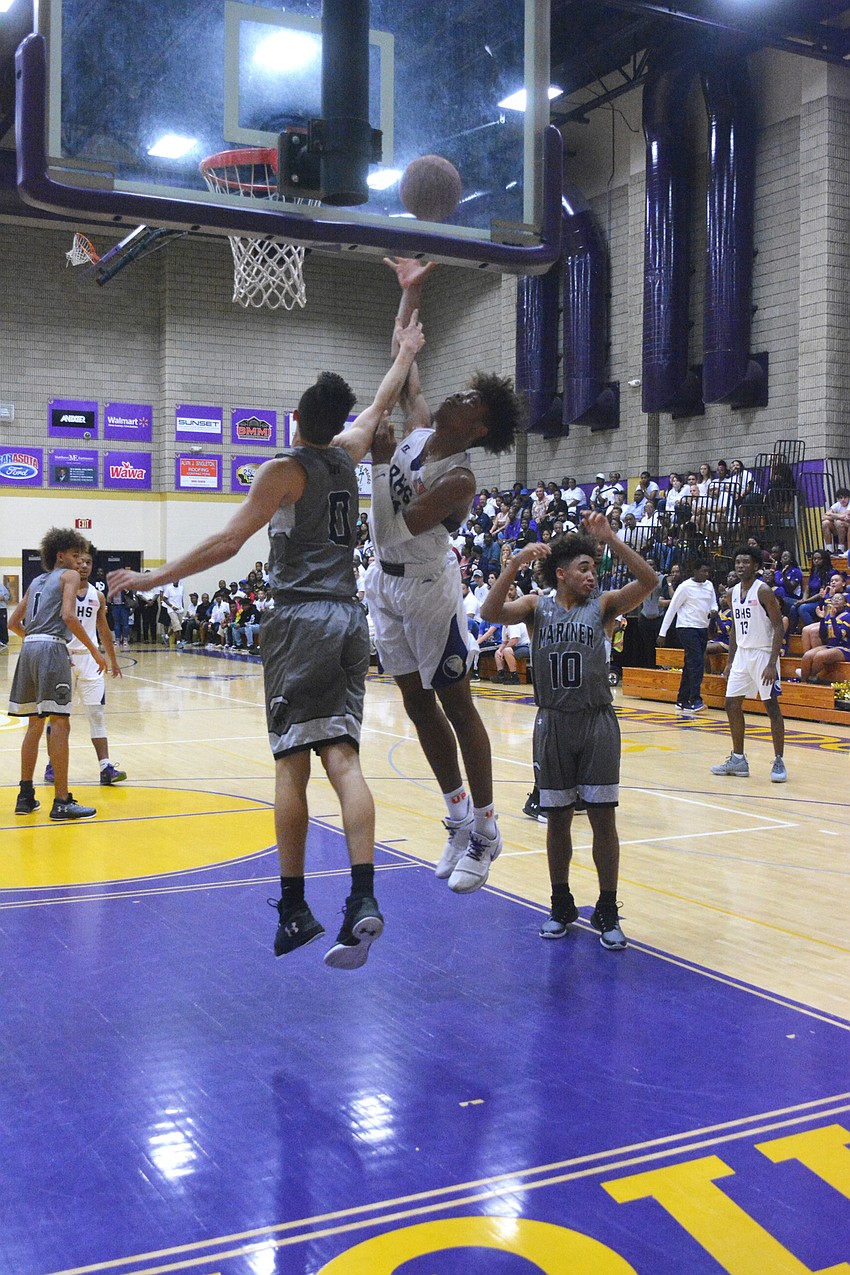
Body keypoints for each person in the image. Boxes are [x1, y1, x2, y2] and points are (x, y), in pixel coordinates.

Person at [108, 313, 425, 968]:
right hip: (347, 621)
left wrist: (149, 577)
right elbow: (381, 400)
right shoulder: (351, 453)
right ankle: (362, 897)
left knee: (292, 764)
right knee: (345, 759)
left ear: (294, 419)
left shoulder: (285, 470)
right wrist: (403, 349)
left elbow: (227, 543)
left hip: (300, 620)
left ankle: (293, 908)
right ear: (334, 421)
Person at [369, 256, 524, 894]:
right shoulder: (421, 430)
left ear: (478, 424)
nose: (455, 396)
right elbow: (404, 362)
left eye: (469, 399)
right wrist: (411, 290)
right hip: (383, 581)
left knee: (457, 704)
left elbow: (403, 523)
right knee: (413, 702)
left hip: (430, 584)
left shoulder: (460, 477)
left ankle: (487, 829)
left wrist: (379, 467)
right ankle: (457, 813)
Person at [480, 516, 658, 949]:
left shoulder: (604, 606)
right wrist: (515, 563)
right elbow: (489, 612)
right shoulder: (535, 607)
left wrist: (611, 539)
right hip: (553, 721)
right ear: (561, 573)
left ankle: (607, 906)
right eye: (583, 567)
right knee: (557, 819)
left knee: (603, 819)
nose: (591, 575)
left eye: (593, 567)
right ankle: (560, 904)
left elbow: (649, 579)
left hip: (597, 720)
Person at [8, 527, 107, 819]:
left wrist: (34, 641)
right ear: (60, 555)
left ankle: (25, 796)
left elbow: (14, 622)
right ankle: (61, 801)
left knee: (34, 726)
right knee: (60, 724)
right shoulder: (70, 576)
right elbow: (67, 615)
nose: (79, 562)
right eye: (75, 555)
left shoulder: (36, 581)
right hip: (52, 649)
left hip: (28, 651)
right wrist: (94, 650)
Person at [42, 545, 126, 789]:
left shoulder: (97, 596)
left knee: (97, 714)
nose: (83, 565)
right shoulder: (58, 591)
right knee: (57, 718)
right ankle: (51, 765)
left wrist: (113, 660)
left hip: (90, 661)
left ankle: (105, 767)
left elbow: (104, 631)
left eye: (88, 562)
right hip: (62, 657)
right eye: (79, 561)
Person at [711, 545, 787, 783]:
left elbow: (778, 627)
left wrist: (772, 664)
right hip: (742, 655)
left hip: (763, 654)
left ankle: (778, 761)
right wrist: (730, 661)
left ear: (756, 566)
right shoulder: (732, 592)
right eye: (738, 562)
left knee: (771, 707)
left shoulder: (763, 590)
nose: (741, 565)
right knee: (731, 704)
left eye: (746, 562)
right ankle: (738, 758)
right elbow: (734, 628)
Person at [656, 560, 718, 714]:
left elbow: (714, 604)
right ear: (695, 571)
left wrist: (714, 610)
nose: (706, 574)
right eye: (703, 571)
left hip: (702, 628)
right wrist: (662, 633)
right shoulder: (685, 587)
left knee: (690, 663)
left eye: (707, 572)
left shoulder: (709, 585)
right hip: (686, 628)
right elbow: (672, 609)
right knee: (697, 662)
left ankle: (681, 700)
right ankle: (695, 700)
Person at [822, 488, 850, 554]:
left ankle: (841, 548)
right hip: (838, 528)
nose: (843, 499)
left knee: (839, 522)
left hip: (847, 527)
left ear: (848, 497)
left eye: (845, 497)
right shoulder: (837, 504)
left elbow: (844, 515)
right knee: (825, 523)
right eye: (840, 498)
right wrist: (838, 517)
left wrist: (832, 515)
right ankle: (829, 549)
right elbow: (823, 517)